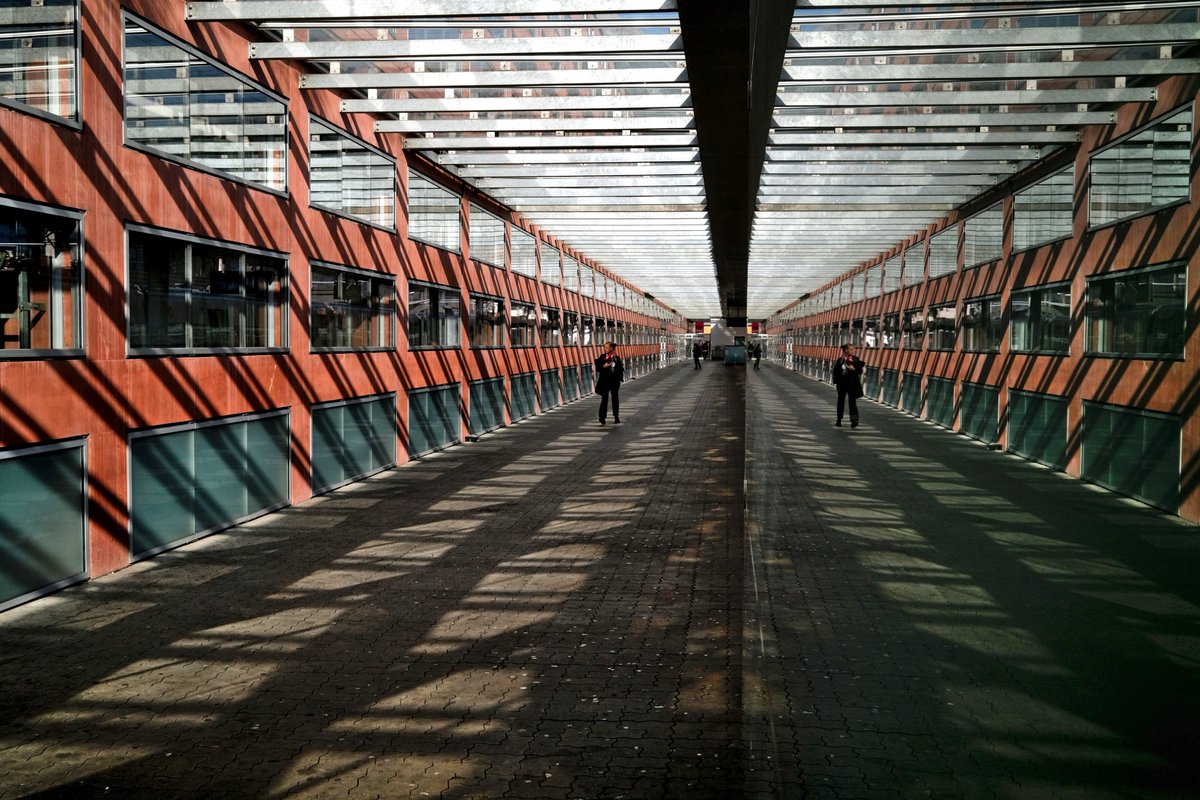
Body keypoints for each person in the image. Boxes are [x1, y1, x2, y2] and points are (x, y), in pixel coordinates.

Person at [831, 342, 864, 428]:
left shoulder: (856, 359)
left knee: (852, 402)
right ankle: (839, 419)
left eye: (853, 349)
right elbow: (835, 372)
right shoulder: (840, 360)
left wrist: (853, 369)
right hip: (842, 384)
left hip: (852, 384)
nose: (853, 351)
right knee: (840, 402)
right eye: (851, 349)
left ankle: (854, 420)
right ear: (846, 350)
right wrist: (837, 382)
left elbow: (860, 371)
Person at [594, 340, 624, 425]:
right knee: (604, 399)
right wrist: (604, 366)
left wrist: (619, 379)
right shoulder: (602, 356)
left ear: (611, 348)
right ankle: (602, 417)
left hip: (614, 382)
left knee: (615, 399)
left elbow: (620, 369)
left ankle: (616, 417)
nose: (605, 349)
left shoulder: (616, 358)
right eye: (605, 347)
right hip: (605, 381)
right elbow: (598, 367)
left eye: (607, 347)